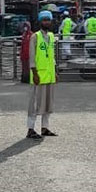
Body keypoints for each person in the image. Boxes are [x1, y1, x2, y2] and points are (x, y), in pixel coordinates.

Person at [26, 11, 58, 139]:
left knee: (48, 103)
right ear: (40, 21)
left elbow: (52, 56)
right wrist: (34, 73)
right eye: (44, 20)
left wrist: (55, 71)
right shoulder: (35, 36)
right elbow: (32, 56)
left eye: (48, 20)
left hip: (49, 75)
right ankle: (30, 129)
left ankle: (45, 128)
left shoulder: (51, 36)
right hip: (38, 75)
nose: (46, 22)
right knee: (34, 104)